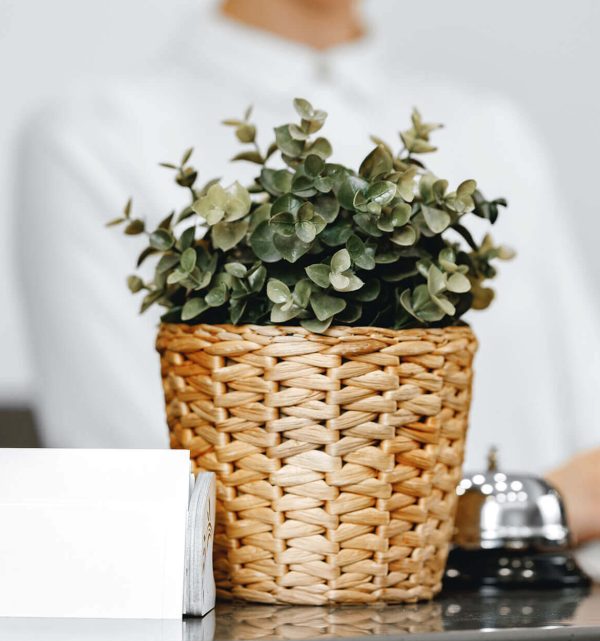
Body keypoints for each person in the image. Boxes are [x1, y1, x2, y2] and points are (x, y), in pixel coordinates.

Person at [16, 0, 600, 544]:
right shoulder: (96, 137)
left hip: (552, 640)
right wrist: (528, 515)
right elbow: (155, 504)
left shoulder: (494, 129)